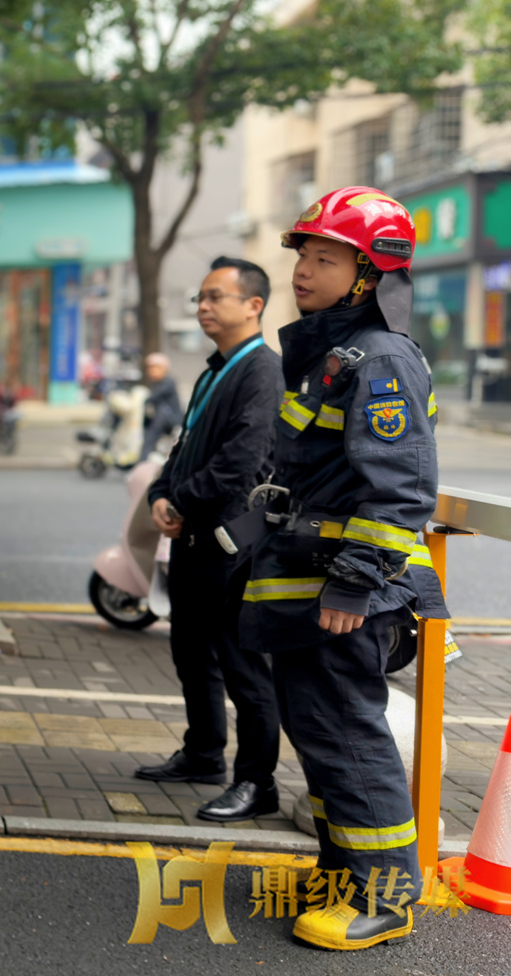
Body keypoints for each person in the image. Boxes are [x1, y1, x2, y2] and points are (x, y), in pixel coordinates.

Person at [239, 186, 448, 950]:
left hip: (342, 591)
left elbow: (399, 488)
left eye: (326, 258)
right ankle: (344, 871)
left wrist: (356, 583)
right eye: (303, 255)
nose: (303, 271)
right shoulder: (332, 352)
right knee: (321, 736)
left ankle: (385, 896)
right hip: (307, 579)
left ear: (369, 275)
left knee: (350, 739)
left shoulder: (381, 359)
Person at [136, 257, 284, 825]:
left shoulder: (262, 372)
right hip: (193, 537)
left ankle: (256, 782)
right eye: (200, 297)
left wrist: (183, 500)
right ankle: (202, 755)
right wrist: (160, 492)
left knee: (245, 669)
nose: (202, 307)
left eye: (215, 296)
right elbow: (183, 446)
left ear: (253, 305)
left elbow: (243, 463)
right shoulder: (214, 369)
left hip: (231, 545)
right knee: (190, 652)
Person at [139, 352, 182, 460]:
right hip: (161, 419)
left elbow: (152, 398)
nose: (151, 371)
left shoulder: (168, 382)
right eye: (149, 368)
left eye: (155, 368)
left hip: (171, 420)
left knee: (151, 434)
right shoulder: (157, 384)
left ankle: (143, 460)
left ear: (164, 368)